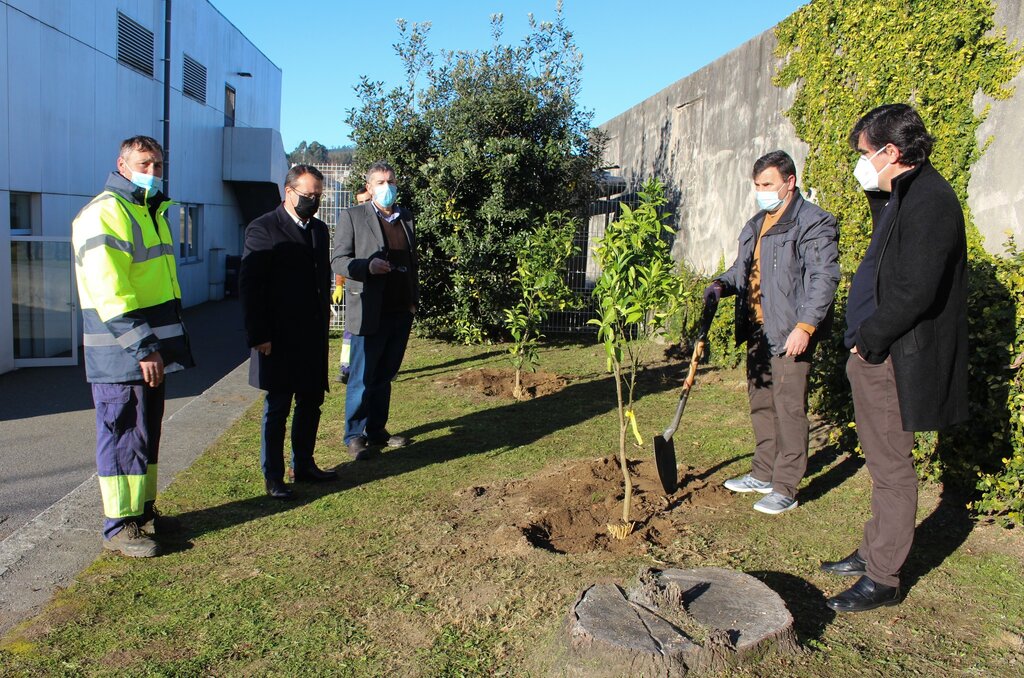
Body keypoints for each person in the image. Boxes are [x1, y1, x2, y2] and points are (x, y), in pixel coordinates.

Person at [822, 104, 968, 612]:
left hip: (891, 356)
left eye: (865, 154)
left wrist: (871, 339)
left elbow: (916, 291)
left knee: (891, 470)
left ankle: (883, 577)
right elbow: (888, 253)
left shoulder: (931, 201)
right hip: (878, 351)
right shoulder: (904, 193)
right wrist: (875, 188)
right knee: (882, 464)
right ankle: (871, 552)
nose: (859, 164)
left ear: (891, 152)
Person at [71, 135, 194, 557]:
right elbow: (111, 292)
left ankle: (142, 514)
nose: (153, 171)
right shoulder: (105, 213)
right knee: (122, 432)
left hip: (146, 351)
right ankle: (118, 527)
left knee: (145, 432)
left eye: (158, 164)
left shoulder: (148, 211)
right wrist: (144, 347)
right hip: (122, 353)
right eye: (145, 163)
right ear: (122, 165)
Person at [706, 150, 840, 515]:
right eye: (756, 185)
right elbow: (743, 270)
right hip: (758, 332)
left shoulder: (813, 222)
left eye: (767, 184)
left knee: (790, 409)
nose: (761, 191)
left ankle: (785, 486)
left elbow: (823, 278)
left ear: (789, 182)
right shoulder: (756, 223)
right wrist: (720, 284)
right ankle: (763, 473)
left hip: (791, 331)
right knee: (762, 404)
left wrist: (805, 326)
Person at [240, 164, 337, 500]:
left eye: (318, 196)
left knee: (311, 402)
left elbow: (320, 275)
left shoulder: (319, 230)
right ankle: (274, 476)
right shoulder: (263, 229)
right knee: (278, 407)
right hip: (277, 338)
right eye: (308, 195)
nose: (313, 201)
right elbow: (251, 287)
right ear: (289, 192)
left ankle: (304, 464)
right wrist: (259, 335)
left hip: (311, 336)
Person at [332, 161, 418, 460]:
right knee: (362, 377)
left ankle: (377, 430)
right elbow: (339, 260)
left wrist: (412, 301)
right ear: (369, 188)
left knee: (385, 374)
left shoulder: (405, 218)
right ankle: (354, 435)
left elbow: (411, 261)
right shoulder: (353, 216)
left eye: (391, 181)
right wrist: (366, 266)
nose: (387, 187)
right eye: (381, 182)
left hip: (400, 311)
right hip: (370, 311)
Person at [334, 187, 371, 384]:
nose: (364, 205)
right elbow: (342, 257)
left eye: (367, 200)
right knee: (351, 331)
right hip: (355, 287)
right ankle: (346, 367)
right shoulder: (352, 222)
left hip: (376, 287)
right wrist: (339, 284)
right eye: (360, 201)